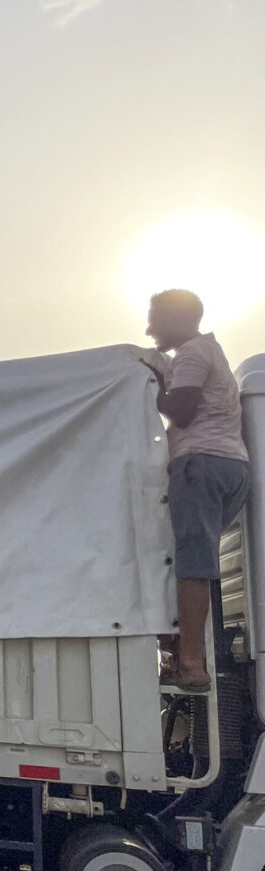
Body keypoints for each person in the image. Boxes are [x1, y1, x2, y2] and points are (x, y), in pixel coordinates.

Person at [143, 290, 251, 692]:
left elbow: (183, 411)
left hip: (199, 463)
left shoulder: (191, 352)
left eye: (155, 319)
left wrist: (150, 383)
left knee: (191, 562)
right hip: (231, 466)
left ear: (177, 318)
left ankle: (190, 663)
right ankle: (179, 647)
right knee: (189, 557)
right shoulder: (211, 351)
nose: (149, 329)